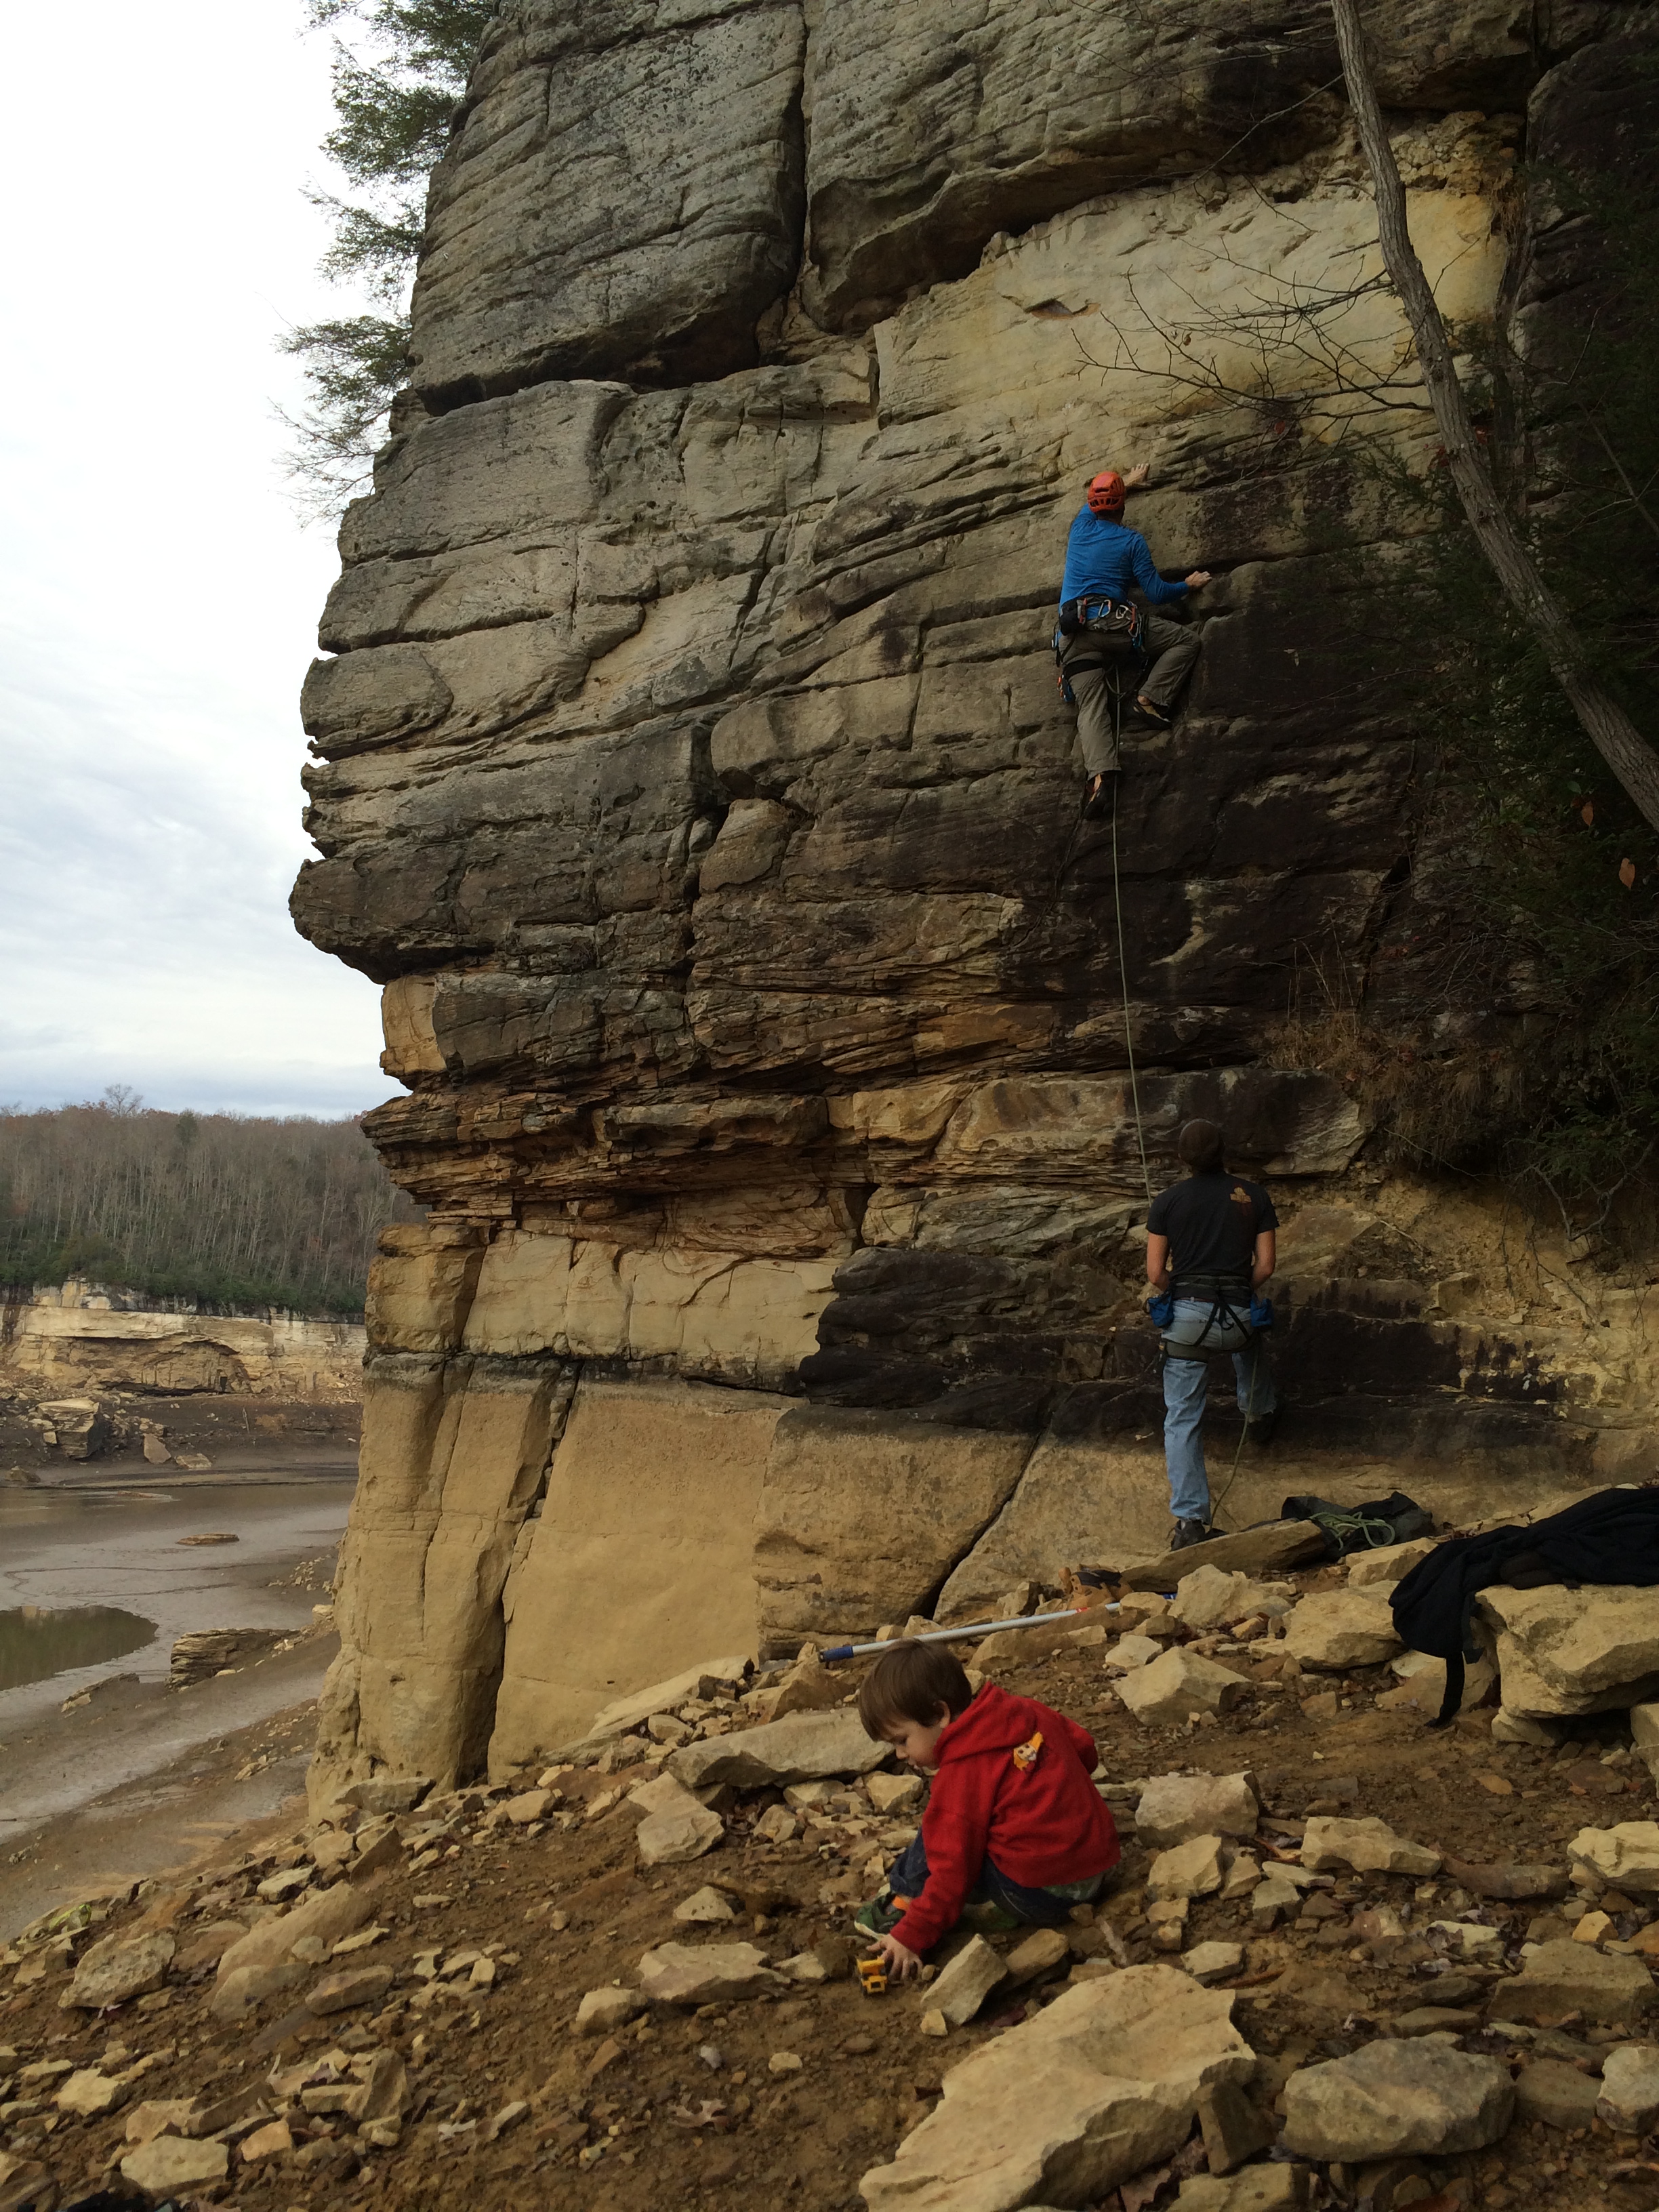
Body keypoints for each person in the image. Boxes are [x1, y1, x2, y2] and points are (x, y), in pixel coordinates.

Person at [851, 1637, 1119, 1980]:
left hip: (1041, 1898)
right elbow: (1085, 1749)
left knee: (940, 1832)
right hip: (1097, 1870)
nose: (901, 1754)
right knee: (966, 1825)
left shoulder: (961, 1775)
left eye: (902, 1740)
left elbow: (952, 1871)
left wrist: (914, 1936)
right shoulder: (1024, 1710)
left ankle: (904, 1901)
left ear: (940, 1714)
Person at [1145, 1117, 1279, 1551]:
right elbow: (1265, 1266)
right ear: (1224, 1152)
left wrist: (1186, 1291)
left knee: (1182, 1417)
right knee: (1251, 1344)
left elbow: (1155, 1274)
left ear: (1181, 1158)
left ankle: (1190, 1522)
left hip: (1187, 1319)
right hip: (1237, 1316)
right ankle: (1258, 1414)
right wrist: (1237, 1291)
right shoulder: (1254, 1196)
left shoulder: (1167, 1201)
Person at [1057, 463, 1212, 819]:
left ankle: (1101, 779)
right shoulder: (1132, 542)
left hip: (1072, 637)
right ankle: (1148, 699)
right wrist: (1187, 585)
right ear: (1123, 506)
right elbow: (1156, 593)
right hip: (1114, 628)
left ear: (1092, 506)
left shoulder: (1079, 528)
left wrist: (1128, 481)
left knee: (1090, 708)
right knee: (1185, 641)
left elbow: (1094, 502)